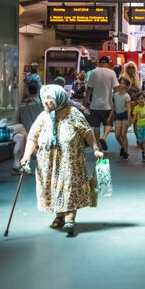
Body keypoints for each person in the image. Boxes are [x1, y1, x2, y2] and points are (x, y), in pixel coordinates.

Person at [20, 85, 103, 237]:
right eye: (44, 98)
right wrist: (26, 156)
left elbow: (87, 133)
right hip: (48, 163)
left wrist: (96, 148)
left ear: (59, 98)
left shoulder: (73, 114)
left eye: (49, 98)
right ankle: (59, 215)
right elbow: (32, 137)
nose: (45, 101)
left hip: (70, 160)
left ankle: (70, 218)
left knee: (69, 187)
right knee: (53, 188)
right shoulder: (44, 116)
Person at [84, 56, 118, 151]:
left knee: (96, 126)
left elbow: (89, 88)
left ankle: (98, 146)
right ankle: (103, 138)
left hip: (95, 104)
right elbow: (116, 89)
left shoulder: (93, 73)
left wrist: (87, 100)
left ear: (99, 63)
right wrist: (118, 101)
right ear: (108, 63)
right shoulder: (112, 73)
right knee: (108, 124)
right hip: (108, 104)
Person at [110, 79, 132, 159]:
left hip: (124, 115)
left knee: (123, 134)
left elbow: (129, 108)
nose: (120, 85)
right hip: (118, 115)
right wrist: (110, 117)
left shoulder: (127, 96)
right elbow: (114, 107)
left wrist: (129, 119)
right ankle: (122, 146)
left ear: (126, 86)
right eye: (120, 83)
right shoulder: (115, 95)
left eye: (122, 83)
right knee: (117, 134)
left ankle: (126, 151)